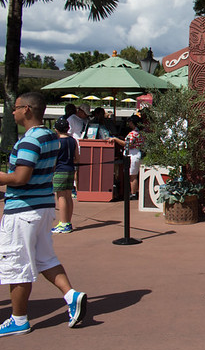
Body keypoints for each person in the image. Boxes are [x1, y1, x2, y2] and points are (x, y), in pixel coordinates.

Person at [0, 92, 87, 336]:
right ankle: (72, 295)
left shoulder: (30, 140)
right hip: (42, 208)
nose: (13, 112)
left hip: (23, 210)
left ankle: (19, 319)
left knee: (16, 264)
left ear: (27, 109)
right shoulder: (49, 136)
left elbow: (20, 177)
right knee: (44, 258)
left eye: (16, 108)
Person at [52, 117, 79, 234]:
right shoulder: (72, 140)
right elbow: (77, 158)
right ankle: (68, 221)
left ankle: (63, 222)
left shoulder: (57, 142)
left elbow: (53, 159)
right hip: (70, 169)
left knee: (61, 196)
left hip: (59, 170)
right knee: (68, 195)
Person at [107, 115, 143, 200]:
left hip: (133, 154)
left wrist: (116, 139)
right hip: (136, 152)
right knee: (133, 175)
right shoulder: (139, 132)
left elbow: (127, 144)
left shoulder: (133, 133)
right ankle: (133, 192)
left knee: (132, 176)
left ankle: (133, 193)